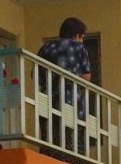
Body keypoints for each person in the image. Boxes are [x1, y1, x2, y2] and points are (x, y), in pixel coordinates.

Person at [37, 17, 93, 156]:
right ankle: (74, 163)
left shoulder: (46, 47)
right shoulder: (79, 47)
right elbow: (86, 77)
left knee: (51, 138)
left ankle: (50, 160)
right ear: (77, 35)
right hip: (71, 103)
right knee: (72, 142)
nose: (82, 40)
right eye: (82, 37)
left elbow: (36, 75)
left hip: (48, 102)